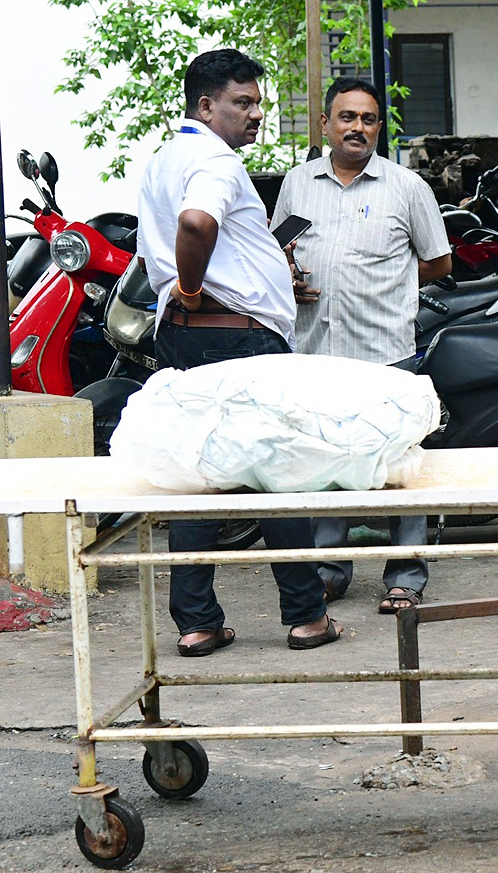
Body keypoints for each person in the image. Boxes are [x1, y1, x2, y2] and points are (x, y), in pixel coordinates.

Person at [136, 49, 342, 654]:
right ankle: (306, 616)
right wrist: (196, 287)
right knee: (276, 471)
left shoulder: (163, 158)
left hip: (187, 333)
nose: (255, 115)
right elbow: (197, 225)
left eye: (257, 103)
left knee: (198, 475)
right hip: (237, 336)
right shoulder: (214, 159)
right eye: (242, 103)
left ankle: (197, 623)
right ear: (207, 105)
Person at [273, 76, 452, 614]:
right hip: (315, 348)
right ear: (326, 124)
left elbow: (439, 261)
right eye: (346, 117)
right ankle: (329, 568)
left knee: (398, 462)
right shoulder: (297, 184)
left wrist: (389, 285)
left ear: (379, 128)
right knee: (325, 462)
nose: (357, 128)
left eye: (368, 119)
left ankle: (407, 572)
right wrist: (289, 277)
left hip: (385, 350)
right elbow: (280, 248)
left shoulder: (405, 187)